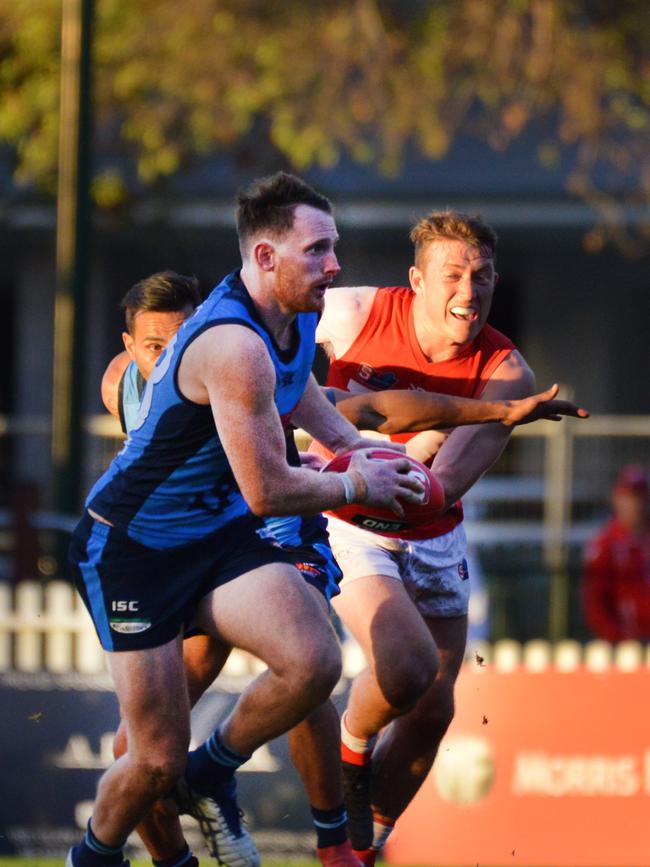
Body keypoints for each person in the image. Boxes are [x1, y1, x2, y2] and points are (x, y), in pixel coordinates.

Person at [101, 271, 584, 867]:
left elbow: (374, 408)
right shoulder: (130, 384)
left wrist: (498, 408)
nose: (171, 356)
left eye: (182, 342)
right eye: (155, 348)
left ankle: (323, 837)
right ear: (131, 349)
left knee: (311, 666)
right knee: (144, 748)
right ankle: (160, 849)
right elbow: (125, 380)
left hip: (261, 540)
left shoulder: (249, 369)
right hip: (178, 554)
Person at [66, 172, 427, 867]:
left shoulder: (297, 311)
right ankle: (93, 856)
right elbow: (265, 491)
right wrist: (358, 480)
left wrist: (354, 445)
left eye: (334, 246)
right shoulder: (233, 344)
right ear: (265, 257)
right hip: (131, 547)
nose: (335, 264)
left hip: (211, 534)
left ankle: (214, 769)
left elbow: (299, 393)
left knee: (314, 660)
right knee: (153, 759)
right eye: (318, 249)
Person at [314, 210, 588, 864]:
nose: (470, 290)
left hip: (431, 532)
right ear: (416, 280)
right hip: (345, 522)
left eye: (483, 275)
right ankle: (350, 756)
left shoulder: (507, 375)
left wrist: (403, 444)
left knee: (434, 705)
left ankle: (365, 844)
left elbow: (442, 488)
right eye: (454, 274)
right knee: (404, 669)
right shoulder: (347, 312)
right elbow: (256, 339)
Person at [582, 464, 650, 642]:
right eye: (628, 497)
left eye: (640, 498)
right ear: (617, 499)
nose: (635, 505)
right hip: (625, 646)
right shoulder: (605, 544)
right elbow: (595, 605)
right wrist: (620, 637)